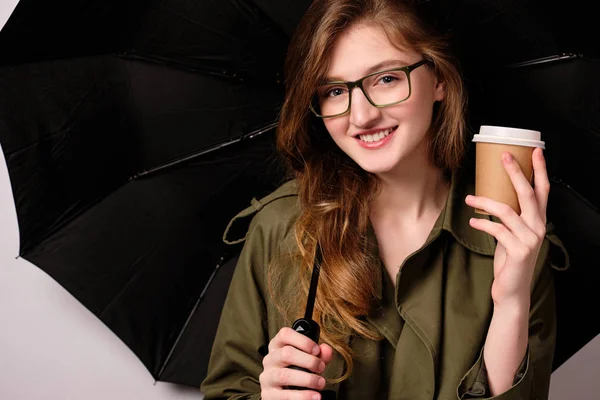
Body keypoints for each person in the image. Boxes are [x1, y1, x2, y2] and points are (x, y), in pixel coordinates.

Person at [200, 0, 569, 399]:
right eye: (335, 90)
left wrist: (511, 302)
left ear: (440, 79)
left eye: (386, 79)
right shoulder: (279, 226)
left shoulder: (513, 236)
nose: (361, 116)